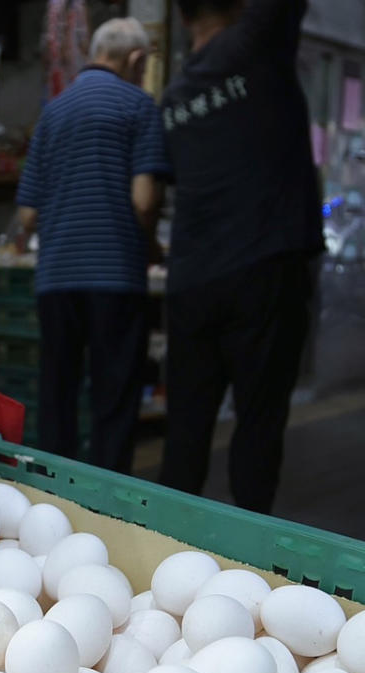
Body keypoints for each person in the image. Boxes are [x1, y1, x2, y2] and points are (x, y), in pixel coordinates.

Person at [158, 0, 324, 514]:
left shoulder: (173, 97)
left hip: (190, 280)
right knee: (257, 422)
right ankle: (249, 562)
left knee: (186, 428)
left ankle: (166, 549)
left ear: (183, 19)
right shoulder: (254, 44)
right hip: (262, 268)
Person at [16, 18, 171, 474]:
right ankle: (106, 503)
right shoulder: (139, 106)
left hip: (57, 277)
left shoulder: (54, 112)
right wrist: (150, 245)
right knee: (114, 397)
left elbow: (27, 214)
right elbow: (144, 199)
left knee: (58, 393)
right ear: (137, 60)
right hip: (116, 276)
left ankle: (54, 494)